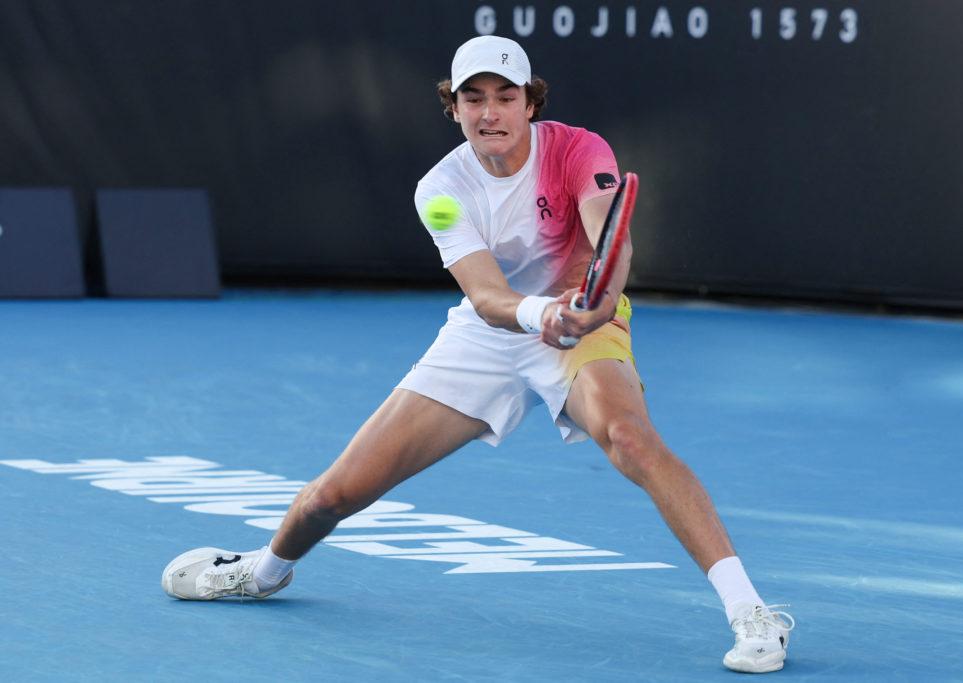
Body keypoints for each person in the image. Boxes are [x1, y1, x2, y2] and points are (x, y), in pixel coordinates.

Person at [161, 35, 795, 674]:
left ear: (529, 104)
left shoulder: (578, 148)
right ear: (454, 108)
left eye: (504, 97)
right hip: (489, 334)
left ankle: (753, 614)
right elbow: (489, 297)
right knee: (333, 496)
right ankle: (263, 574)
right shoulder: (440, 188)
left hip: (583, 319)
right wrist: (539, 313)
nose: (490, 112)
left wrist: (593, 304)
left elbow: (610, 239)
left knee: (630, 438)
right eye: (474, 98)